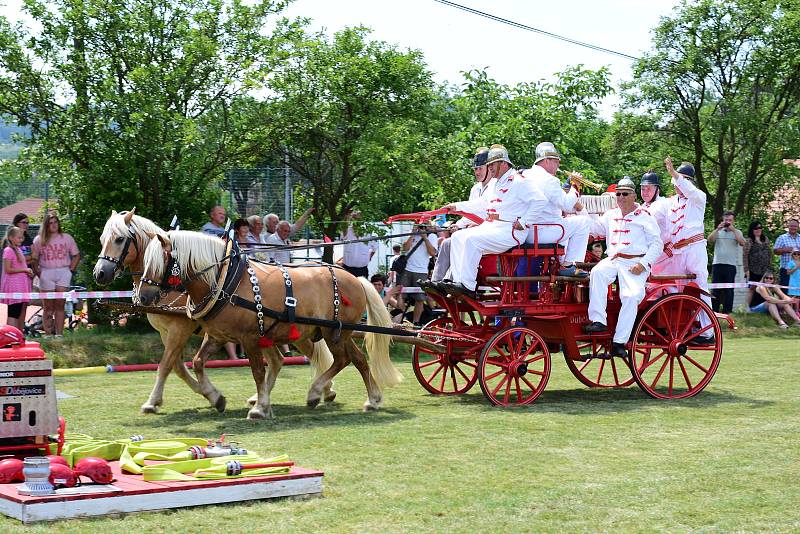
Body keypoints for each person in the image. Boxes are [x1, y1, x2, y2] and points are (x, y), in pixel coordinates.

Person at [440, 144, 550, 299]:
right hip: (493, 226)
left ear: (503, 163)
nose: (489, 168)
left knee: (472, 240)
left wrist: (525, 222)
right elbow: (481, 203)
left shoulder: (519, 181)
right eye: (489, 165)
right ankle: (458, 282)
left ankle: (467, 286)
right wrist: (456, 206)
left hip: (510, 231)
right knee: (458, 237)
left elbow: (540, 201)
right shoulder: (494, 183)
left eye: (492, 165)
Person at [584, 177, 662, 357]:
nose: (620, 197)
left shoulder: (645, 216)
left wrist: (643, 265)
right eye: (618, 194)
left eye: (625, 194)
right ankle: (598, 321)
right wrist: (579, 212)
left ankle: (619, 342)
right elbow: (595, 228)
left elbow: (657, 244)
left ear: (634, 195)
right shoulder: (611, 214)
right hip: (613, 259)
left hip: (634, 262)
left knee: (631, 296)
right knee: (597, 272)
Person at [657, 157, 714, 341]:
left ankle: (707, 332)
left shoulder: (698, 198)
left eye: (679, 180)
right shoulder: (670, 202)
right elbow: (650, 213)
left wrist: (674, 174)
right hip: (677, 252)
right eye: (674, 181)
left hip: (694, 248)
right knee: (676, 290)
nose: (676, 184)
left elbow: (689, 190)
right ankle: (682, 328)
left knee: (700, 288)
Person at [521, 141, 590, 277]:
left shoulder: (525, 175)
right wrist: (575, 186)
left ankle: (562, 261)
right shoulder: (549, 180)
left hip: (526, 233)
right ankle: (568, 265)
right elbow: (567, 205)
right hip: (541, 233)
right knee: (583, 222)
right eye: (556, 161)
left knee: (565, 222)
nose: (558, 165)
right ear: (546, 161)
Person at [427, 146, 494, 284]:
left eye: (480, 168)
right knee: (446, 243)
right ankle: (437, 281)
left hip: (488, 232)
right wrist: (457, 224)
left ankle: (452, 281)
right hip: (473, 231)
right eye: (475, 169)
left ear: (489, 168)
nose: (477, 172)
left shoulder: (495, 186)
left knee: (458, 241)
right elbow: (468, 214)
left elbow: (482, 205)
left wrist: (457, 207)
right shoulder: (475, 188)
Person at [31, 212, 80, 337]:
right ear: (46, 225)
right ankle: (47, 334)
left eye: (55, 222)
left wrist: (71, 270)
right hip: (46, 272)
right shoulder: (39, 240)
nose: (53, 225)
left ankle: (59, 334)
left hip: (63, 271)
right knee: (47, 306)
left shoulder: (66, 238)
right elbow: (34, 259)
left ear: (58, 223)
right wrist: (39, 273)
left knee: (60, 304)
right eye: (50, 223)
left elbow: (76, 255)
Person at [398, 223, 438, 325]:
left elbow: (432, 253)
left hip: (421, 271)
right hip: (407, 269)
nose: (421, 228)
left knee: (420, 298)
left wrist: (425, 237)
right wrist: (412, 234)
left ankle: (416, 322)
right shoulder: (411, 233)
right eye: (420, 225)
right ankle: (400, 319)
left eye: (424, 226)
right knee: (401, 295)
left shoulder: (432, 236)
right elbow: (405, 248)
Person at [708, 210, 745, 313]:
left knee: (729, 290)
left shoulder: (737, 232)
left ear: (733, 221)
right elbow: (710, 240)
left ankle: (727, 311)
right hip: (717, 264)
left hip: (730, 265)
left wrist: (733, 230)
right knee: (716, 289)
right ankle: (714, 311)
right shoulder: (718, 231)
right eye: (726, 220)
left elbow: (742, 243)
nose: (728, 222)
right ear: (722, 220)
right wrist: (717, 228)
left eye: (730, 220)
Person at [0, 226, 34, 330]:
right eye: (18, 237)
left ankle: (15, 337)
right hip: (13, 287)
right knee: (13, 312)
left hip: (21, 286)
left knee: (17, 311)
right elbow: (8, 269)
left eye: (22, 237)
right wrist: (24, 270)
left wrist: (28, 272)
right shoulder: (8, 250)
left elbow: (21, 266)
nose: (21, 239)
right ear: (11, 237)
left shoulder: (18, 250)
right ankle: (10, 337)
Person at [743, 220, 773, 307]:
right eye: (756, 228)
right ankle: (746, 308)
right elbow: (745, 256)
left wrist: (770, 268)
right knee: (752, 288)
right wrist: (746, 270)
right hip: (753, 269)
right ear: (752, 230)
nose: (758, 229)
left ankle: (763, 306)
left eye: (760, 227)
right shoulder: (749, 241)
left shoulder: (766, 239)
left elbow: (769, 253)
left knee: (764, 288)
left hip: (765, 269)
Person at [340, 209, 377, 278]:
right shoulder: (347, 230)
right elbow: (344, 229)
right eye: (354, 218)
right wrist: (347, 217)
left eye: (359, 219)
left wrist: (369, 258)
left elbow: (374, 248)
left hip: (362, 269)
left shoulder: (369, 232)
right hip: (347, 268)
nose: (357, 221)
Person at [774, 218, 800, 288]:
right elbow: (775, 251)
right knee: (785, 290)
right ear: (788, 226)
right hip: (786, 269)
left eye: (795, 226)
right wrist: (785, 250)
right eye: (791, 226)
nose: (793, 228)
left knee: (797, 291)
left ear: (798, 227)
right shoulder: (782, 238)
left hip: (798, 270)